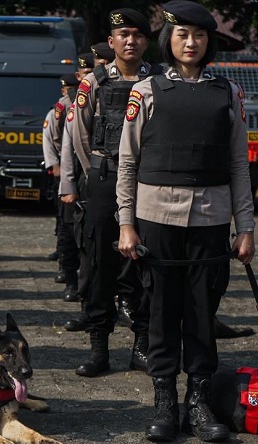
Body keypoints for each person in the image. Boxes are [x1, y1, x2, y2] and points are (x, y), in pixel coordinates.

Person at [116, 1, 255, 441]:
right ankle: (164, 402)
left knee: (201, 313)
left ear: (208, 41)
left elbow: (238, 164)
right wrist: (125, 223)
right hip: (156, 218)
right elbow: (127, 162)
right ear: (168, 40)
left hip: (211, 220)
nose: (190, 43)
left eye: (198, 35)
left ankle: (198, 402)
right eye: (181, 35)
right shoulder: (148, 90)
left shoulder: (228, 92)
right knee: (160, 313)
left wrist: (245, 226)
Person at [67, 8, 158, 378]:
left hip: (149, 183)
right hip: (104, 178)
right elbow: (79, 134)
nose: (130, 41)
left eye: (138, 35)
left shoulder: (160, 81)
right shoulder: (94, 82)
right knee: (98, 267)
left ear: (146, 41)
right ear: (111, 41)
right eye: (123, 35)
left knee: (145, 266)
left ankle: (142, 346)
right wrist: (98, 173)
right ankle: (98, 348)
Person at [43, 73, 81, 301]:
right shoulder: (63, 107)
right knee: (67, 225)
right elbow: (53, 137)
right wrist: (56, 165)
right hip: (69, 168)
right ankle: (69, 277)